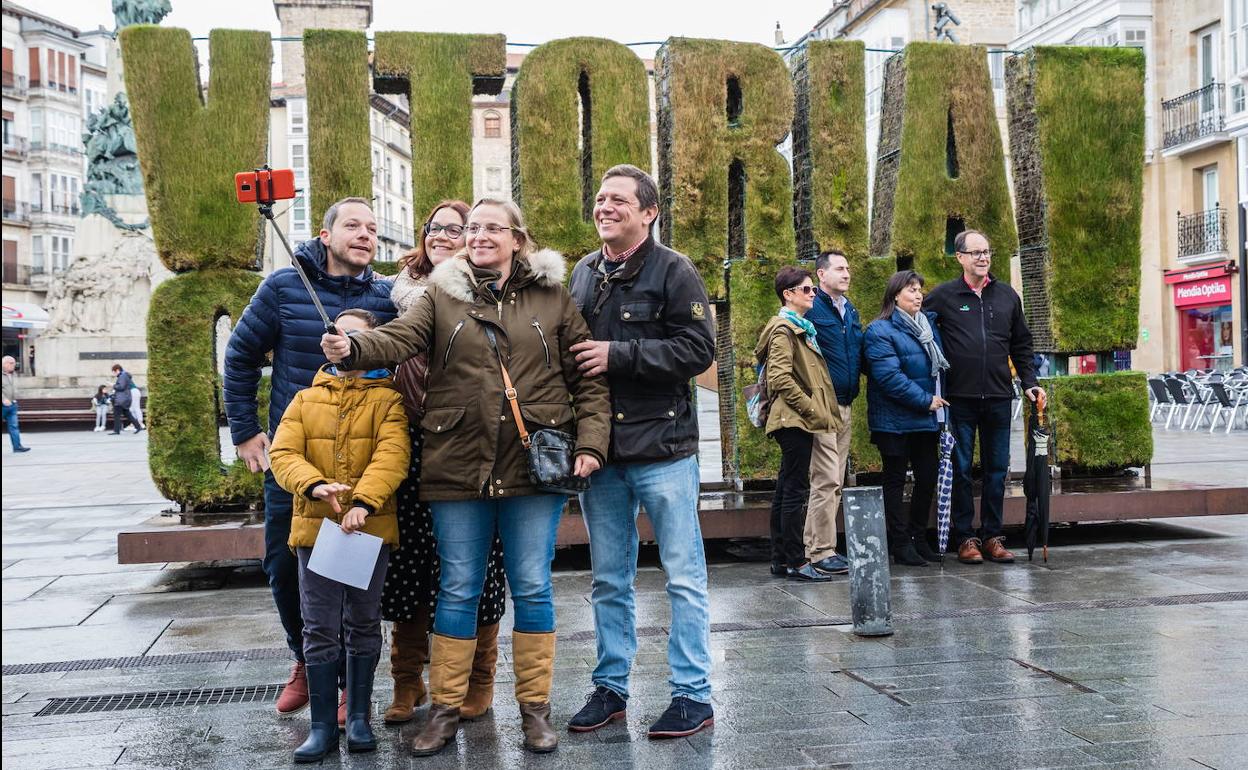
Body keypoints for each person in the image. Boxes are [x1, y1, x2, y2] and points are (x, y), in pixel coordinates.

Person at [321, 198, 610, 756]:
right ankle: (445, 710)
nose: (478, 236)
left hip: (534, 465)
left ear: (517, 239)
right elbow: (400, 338)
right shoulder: (441, 294)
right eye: (472, 228)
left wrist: (592, 443)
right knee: (458, 588)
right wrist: (354, 347)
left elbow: (587, 378)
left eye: (491, 228)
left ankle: (534, 711)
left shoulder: (553, 296)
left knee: (532, 586)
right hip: (457, 463)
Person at [224, 197, 396, 720]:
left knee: (355, 574)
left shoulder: (385, 298)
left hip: (362, 467)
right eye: (352, 225)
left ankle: (349, 684)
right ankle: (306, 661)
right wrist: (247, 432)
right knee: (284, 565)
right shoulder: (283, 286)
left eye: (371, 227)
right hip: (296, 463)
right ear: (326, 235)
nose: (364, 234)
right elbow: (239, 356)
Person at [566, 165, 718, 739]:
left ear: (648, 212)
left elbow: (698, 350)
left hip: (665, 451)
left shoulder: (675, 270)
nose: (605, 207)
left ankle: (693, 695)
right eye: (600, 198)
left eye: (619, 201)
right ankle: (610, 689)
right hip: (602, 456)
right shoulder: (583, 271)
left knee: (683, 578)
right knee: (608, 579)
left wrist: (620, 355)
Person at [381, 200, 508, 727]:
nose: (444, 236)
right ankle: (407, 679)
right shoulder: (392, 292)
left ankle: (480, 676)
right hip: (410, 442)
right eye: (436, 228)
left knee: (477, 564)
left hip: (470, 443)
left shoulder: (486, 294)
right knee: (409, 564)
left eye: (458, 230)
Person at [270, 308, 410, 763]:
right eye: (338, 332)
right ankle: (323, 726)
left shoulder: (388, 399)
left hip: (368, 530)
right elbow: (284, 452)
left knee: (364, 622)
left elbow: (393, 454)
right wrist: (314, 485)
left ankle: (359, 719)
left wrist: (362, 504)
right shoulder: (305, 400)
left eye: (355, 335)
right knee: (319, 626)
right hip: (315, 531)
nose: (343, 340)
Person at [925, 230, 1042, 565]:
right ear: (959, 257)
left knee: (996, 470)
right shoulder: (944, 296)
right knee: (960, 469)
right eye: (975, 252)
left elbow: (1022, 344)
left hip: (998, 397)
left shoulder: (1007, 296)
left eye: (986, 251)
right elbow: (918, 327)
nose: (982, 257)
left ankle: (992, 536)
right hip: (958, 399)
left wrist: (1029, 381)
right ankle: (965, 538)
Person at [754, 267, 842, 582]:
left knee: (786, 488)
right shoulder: (783, 329)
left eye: (812, 290)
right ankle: (795, 561)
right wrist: (812, 409)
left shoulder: (799, 327)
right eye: (807, 289)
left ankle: (781, 559)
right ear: (788, 294)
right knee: (795, 490)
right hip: (794, 421)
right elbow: (779, 378)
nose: (813, 294)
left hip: (795, 419)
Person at [864, 271, 949, 566]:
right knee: (895, 481)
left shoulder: (927, 326)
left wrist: (936, 406)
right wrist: (925, 401)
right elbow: (888, 377)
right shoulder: (879, 330)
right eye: (911, 290)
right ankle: (899, 543)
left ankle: (918, 537)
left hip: (927, 419)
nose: (918, 295)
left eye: (920, 290)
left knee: (928, 478)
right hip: (895, 420)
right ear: (895, 295)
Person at [802, 250, 863, 576]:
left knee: (833, 479)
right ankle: (821, 551)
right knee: (826, 479)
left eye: (848, 267)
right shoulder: (812, 309)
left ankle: (818, 547)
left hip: (845, 405)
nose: (847, 273)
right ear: (821, 274)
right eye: (840, 268)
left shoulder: (849, 309)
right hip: (822, 407)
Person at [2, 356, 31, 453]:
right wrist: (3, 399)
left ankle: (17, 446)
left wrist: (15, 399)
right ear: (5, 363)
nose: (14, 365)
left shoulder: (14, 374)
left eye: (14, 363)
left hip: (12, 405)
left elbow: (13, 388)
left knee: (14, 426)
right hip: (3, 405)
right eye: (11, 363)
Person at [109, 364, 135, 435]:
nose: (114, 374)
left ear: (117, 370)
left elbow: (121, 387)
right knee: (127, 414)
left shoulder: (122, 376)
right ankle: (138, 427)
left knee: (117, 415)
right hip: (123, 398)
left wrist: (113, 385)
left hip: (121, 399)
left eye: (114, 372)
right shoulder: (124, 375)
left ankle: (116, 431)